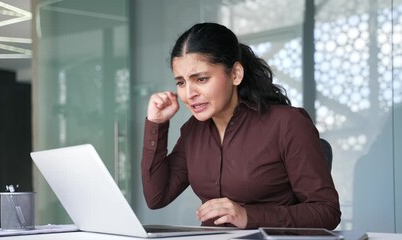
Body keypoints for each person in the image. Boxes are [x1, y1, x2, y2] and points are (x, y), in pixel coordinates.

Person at [141, 22, 341, 230]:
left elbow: (327, 211)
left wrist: (248, 216)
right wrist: (156, 124)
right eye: (181, 82)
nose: (189, 94)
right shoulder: (193, 130)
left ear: (235, 74)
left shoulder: (287, 123)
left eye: (201, 79)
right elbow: (157, 196)